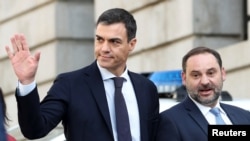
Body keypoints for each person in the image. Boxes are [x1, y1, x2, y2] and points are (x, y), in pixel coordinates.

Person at [5, 8, 159, 141]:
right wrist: (27, 82)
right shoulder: (70, 84)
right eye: (99, 39)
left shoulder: (146, 88)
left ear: (131, 44)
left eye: (114, 42)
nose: (104, 48)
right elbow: (34, 130)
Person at [156, 46, 250, 141]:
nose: (205, 82)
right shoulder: (170, 121)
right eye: (196, 75)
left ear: (222, 73)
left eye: (211, 73)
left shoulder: (245, 117)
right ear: (184, 78)